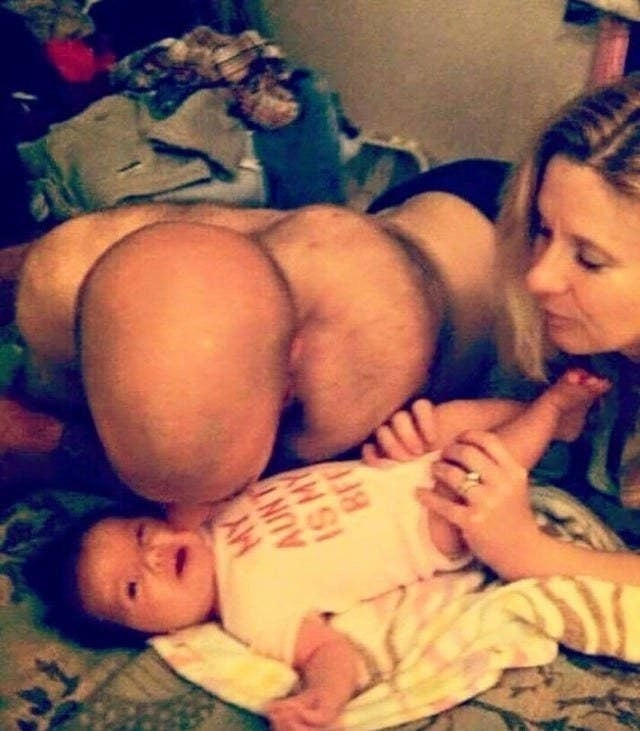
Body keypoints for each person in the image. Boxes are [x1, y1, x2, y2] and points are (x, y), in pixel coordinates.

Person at [35, 368, 607, 731]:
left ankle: (558, 426)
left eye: (141, 535)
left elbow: (191, 466)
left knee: (454, 424)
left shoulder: (209, 512)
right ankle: (551, 411)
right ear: (151, 633)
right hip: (434, 523)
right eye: (134, 587)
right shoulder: (251, 613)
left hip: (399, 467)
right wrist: (321, 698)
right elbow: (329, 653)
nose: (153, 556)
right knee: (478, 473)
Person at [5, 160, 510, 527]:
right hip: (412, 213)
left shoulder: (351, 378)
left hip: (488, 220)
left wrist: (51, 440)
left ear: (289, 381)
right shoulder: (70, 267)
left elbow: (254, 500)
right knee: (53, 278)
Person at [408, 72, 640, 587]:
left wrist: (530, 553)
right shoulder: (573, 337)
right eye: (543, 231)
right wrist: (448, 433)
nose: (539, 277)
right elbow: (537, 414)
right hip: (457, 190)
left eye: (589, 259)